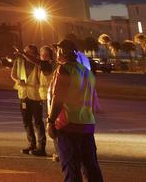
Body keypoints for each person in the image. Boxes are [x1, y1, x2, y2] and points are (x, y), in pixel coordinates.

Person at [47, 38, 104, 182]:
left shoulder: (64, 69)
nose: (56, 53)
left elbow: (58, 97)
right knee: (91, 166)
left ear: (63, 51)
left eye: (57, 50)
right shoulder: (86, 71)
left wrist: (50, 121)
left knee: (71, 167)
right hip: (87, 124)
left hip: (68, 124)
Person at [13, 44, 55, 156]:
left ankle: (41, 147)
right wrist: (18, 80)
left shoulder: (42, 64)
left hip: (36, 96)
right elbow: (13, 74)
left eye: (29, 52)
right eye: (26, 52)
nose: (27, 54)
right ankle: (32, 144)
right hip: (24, 94)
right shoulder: (20, 62)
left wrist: (23, 53)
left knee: (38, 122)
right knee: (27, 121)